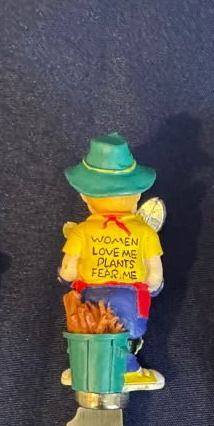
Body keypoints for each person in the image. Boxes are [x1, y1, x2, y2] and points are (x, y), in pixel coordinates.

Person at [59, 133, 164, 391]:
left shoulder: (81, 232)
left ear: (85, 197)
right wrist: (153, 287)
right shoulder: (145, 233)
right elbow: (154, 275)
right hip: (130, 296)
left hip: (92, 296)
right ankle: (129, 370)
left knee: (89, 332)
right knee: (126, 334)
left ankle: (84, 369)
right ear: (137, 196)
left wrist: (64, 276)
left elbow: (69, 270)